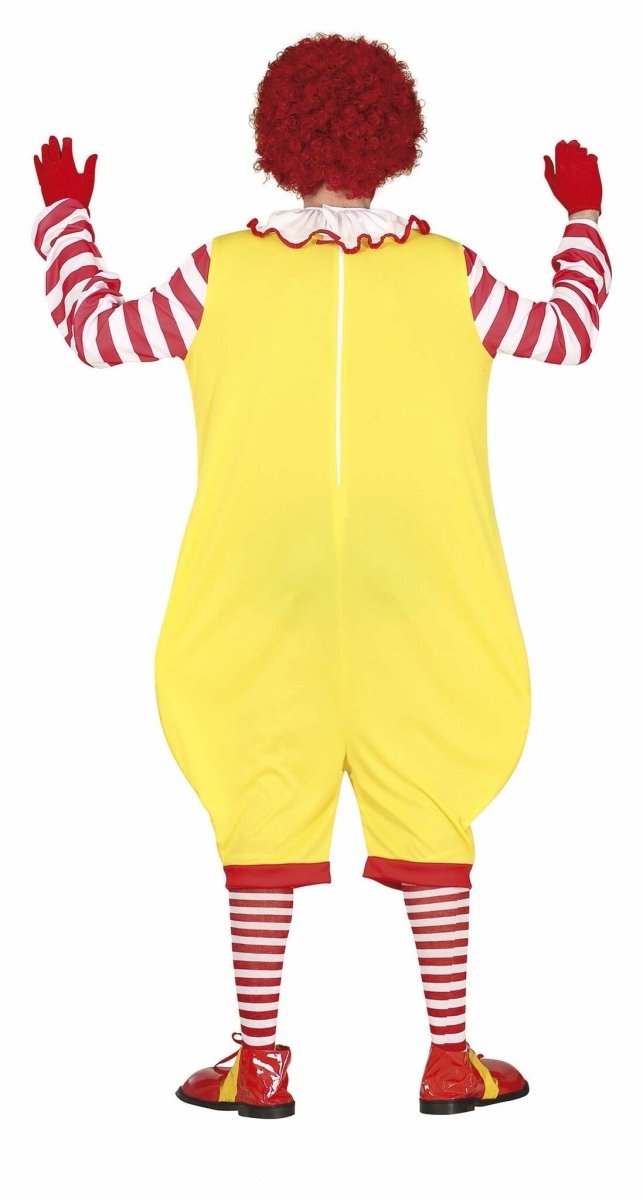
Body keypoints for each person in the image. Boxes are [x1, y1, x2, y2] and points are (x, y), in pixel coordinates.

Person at [31, 32, 611, 1119]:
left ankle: (259, 1062)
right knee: (428, 802)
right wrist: (582, 218)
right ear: (395, 139)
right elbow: (570, 329)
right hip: (424, 597)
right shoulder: (452, 273)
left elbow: (96, 330)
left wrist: (66, 217)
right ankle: (450, 1057)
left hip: (258, 595)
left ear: (278, 140)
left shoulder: (221, 269)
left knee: (263, 803)